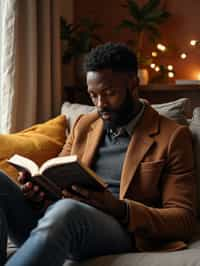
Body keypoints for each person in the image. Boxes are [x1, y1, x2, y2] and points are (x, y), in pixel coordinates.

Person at [0, 42, 197, 266]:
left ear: (133, 84)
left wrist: (119, 208)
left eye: (109, 93)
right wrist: (38, 192)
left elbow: (184, 219)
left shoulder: (172, 137)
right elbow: (57, 176)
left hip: (119, 229)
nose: (100, 104)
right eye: (93, 95)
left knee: (68, 210)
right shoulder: (85, 124)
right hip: (60, 220)